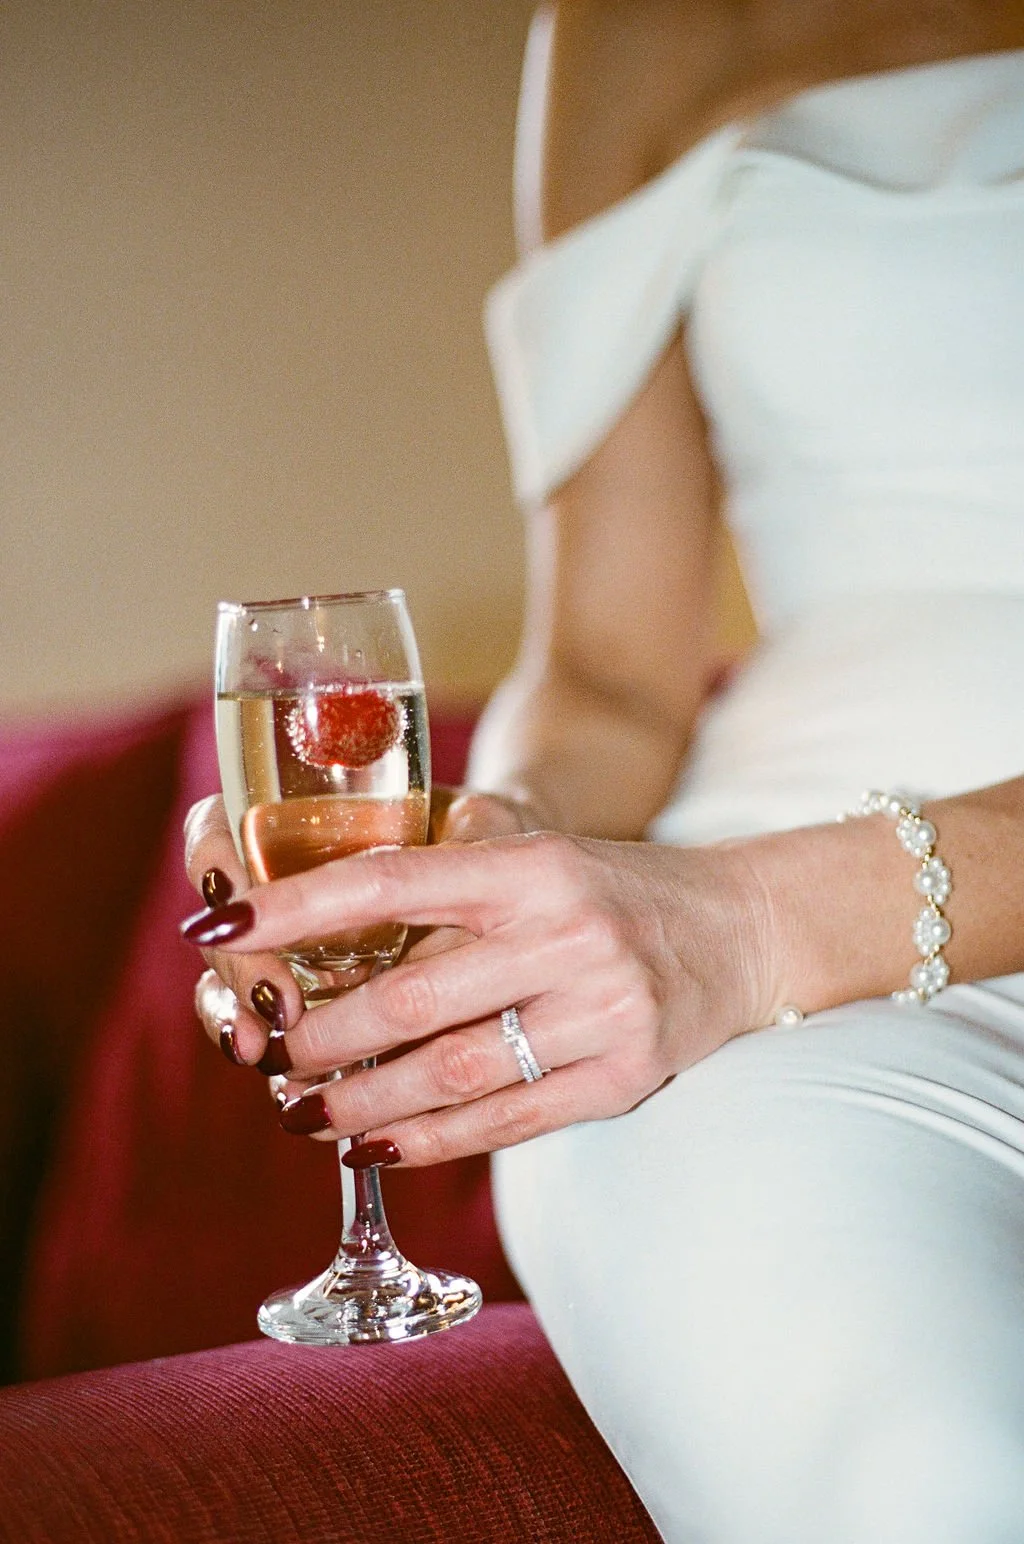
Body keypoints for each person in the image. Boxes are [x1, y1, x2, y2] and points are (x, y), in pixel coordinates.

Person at [184, 4, 1024, 1538]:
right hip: (773, 987)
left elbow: (747, 918)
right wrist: (501, 838)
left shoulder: (739, 929)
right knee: (927, 1480)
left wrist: (757, 921)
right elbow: (612, 676)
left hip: (772, 921)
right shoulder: (634, 29)